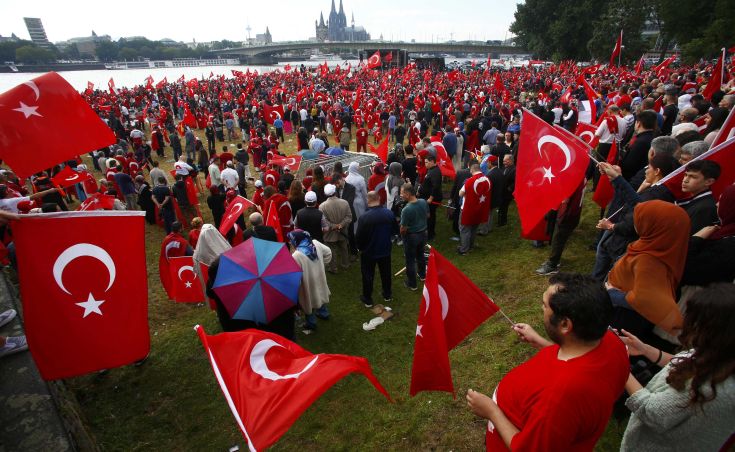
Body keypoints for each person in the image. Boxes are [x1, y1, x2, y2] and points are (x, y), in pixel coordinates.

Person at [466, 273, 629, 451]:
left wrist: (492, 412)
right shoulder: (612, 343)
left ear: (565, 325)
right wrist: (541, 342)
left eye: (545, 305)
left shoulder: (561, 398)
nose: (542, 308)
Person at [619, 283, 735, 451]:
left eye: (694, 319)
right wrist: (647, 350)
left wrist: (621, 366)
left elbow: (652, 412)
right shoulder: (722, 355)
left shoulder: (706, 387)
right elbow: (688, 362)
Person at [606, 200, 689, 340]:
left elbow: (645, 300)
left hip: (623, 320)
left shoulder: (648, 260)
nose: (636, 222)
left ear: (657, 226)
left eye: (642, 219)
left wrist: (610, 293)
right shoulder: (657, 245)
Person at [356, 191, 396, 307]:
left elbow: (359, 237)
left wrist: (360, 248)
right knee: (386, 273)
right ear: (379, 198)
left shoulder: (364, 218)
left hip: (369, 252)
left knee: (368, 275)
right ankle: (387, 294)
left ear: (368, 201)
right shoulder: (389, 214)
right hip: (385, 250)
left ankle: (367, 298)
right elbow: (394, 230)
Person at [288, 229, 332, 334]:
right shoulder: (316, 244)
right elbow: (329, 252)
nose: (290, 242)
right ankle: (324, 313)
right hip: (319, 277)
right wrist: (322, 266)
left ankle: (311, 323)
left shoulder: (296, 256)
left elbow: (296, 277)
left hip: (307, 283)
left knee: (308, 301)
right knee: (320, 293)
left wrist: (297, 288)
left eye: (291, 240)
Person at [676, 159, 720, 233]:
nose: (685, 180)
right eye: (685, 175)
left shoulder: (705, 208)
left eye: (693, 177)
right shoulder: (697, 202)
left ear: (709, 181)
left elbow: (690, 239)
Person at [399, 183, 428, 291]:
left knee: (410, 260)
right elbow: (427, 215)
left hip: (412, 237)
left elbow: (403, 229)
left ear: (407, 194)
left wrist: (403, 236)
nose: (400, 195)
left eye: (401, 193)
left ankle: (412, 284)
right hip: (423, 234)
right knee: (420, 255)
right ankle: (422, 275)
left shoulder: (406, 210)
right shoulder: (423, 201)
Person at [457, 163, 491, 255]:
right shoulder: (487, 179)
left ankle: (464, 249)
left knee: (464, 229)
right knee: (473, 228)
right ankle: (470, 246)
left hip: (467, 209)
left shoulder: (469, 181)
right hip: (480, 208)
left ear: (472, 170)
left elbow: (460, 193)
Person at [319, 184, 352, 274]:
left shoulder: (322, 206)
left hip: (330, 233)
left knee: (331, 251)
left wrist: (334, 226)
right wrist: (340, 225)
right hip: (342, 231)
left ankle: (333, 268)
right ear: (335, 192)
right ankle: (345, 264)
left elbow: (324, 221)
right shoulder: (344, 202)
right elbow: (349, 217)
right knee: (344, 248)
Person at [418, 154, 442, 241]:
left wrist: (431, 198)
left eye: (426, 162)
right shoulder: (431, 170)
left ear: (432, 162)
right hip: (426, 196)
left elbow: (435, 187)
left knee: (430, 216)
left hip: (431, 199)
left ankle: (430, 234)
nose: (425, 164)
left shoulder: (435, 172)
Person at [498, 154, 515, 226]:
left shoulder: (514, 169)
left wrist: (509, 188)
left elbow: (516, 182)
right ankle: (501, 220)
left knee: (504, 207)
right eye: (503, 161)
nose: (504, 162)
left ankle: (502, 222)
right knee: (501, 207)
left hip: (507, 193)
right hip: (502, 191)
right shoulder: (504, 167)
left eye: (505, 161)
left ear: (510, 161)